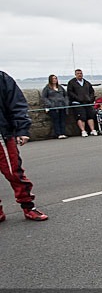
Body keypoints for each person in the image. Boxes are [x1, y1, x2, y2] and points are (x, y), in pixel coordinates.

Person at [0, 70, 48, 221]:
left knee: (14, 172)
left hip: (2, 135)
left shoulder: (2, 78)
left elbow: (17, 103)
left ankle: (28, 207)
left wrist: (22, 129)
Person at [67, 68, 97, 137]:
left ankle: (92, 130)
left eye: (81, 73)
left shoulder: (86, 82)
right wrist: (78, 98)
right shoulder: (71, 83)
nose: (80, 75)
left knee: (90, 116)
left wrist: (90, 99)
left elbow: (91, 91)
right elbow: (70, 93)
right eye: (78, 74)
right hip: (77, 103)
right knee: (81, 117)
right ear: (75, 75)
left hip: (87, 102)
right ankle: (83, 131)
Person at [41, 74, 69, 139]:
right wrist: (50, 104)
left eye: (55, 78)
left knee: (63, 120)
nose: (54, 80)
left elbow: (65, 95)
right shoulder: (47, 88)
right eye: (53, 79)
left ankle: (63, 133)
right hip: (53, 107)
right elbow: (44, 97)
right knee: (56, 120)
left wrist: (66, 102)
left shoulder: (60, 87)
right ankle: (58, 133)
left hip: (62, 105)